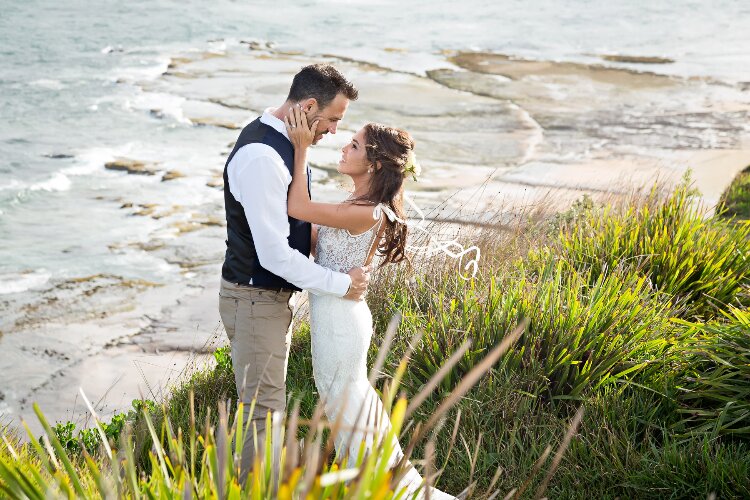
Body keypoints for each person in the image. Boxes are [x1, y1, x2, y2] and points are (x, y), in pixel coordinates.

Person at [285, 106, 454, 498]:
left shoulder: (365, 212)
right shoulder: (354, 206)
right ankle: (384, 485)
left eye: (355, 144)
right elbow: (313, 241)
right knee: (346, 402)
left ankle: (386, 488)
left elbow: (297, 209)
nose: (345, 147)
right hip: (336, 314)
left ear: (374, 164)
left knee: (348, 404)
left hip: (342, 321)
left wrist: (300, 149)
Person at [218, 64, 370, 482]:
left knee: (267, 406)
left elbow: (292, 221)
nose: (335, 131)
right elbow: (273, 256)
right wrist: (343, 285)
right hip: (253, 299)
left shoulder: (286, 143)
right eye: (334, 119)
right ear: (307, 106)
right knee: (263, 410)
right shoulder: (263, 157)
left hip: (265, 301)